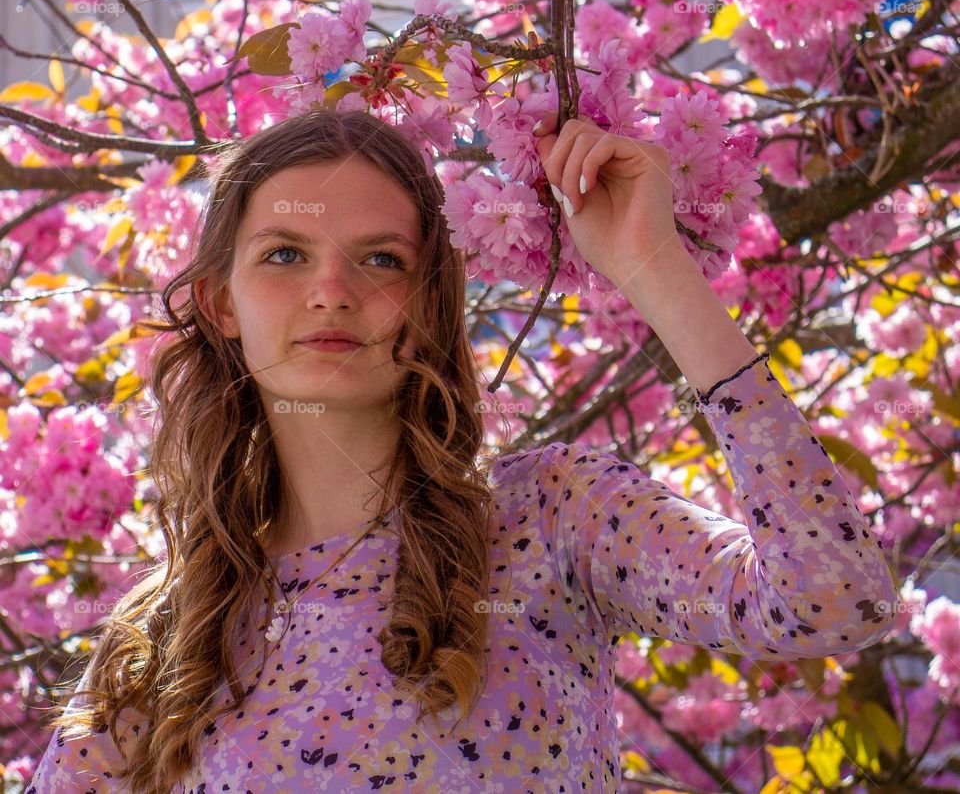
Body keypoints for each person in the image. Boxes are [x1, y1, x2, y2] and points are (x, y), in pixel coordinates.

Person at [27, 107, 898, 793]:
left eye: (380, 258)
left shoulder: (553, 517)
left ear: (431, 298)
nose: (332, 291)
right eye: (286, 253)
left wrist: (651, 265)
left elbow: (836, 599)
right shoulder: (164, 641)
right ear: (221, 304)